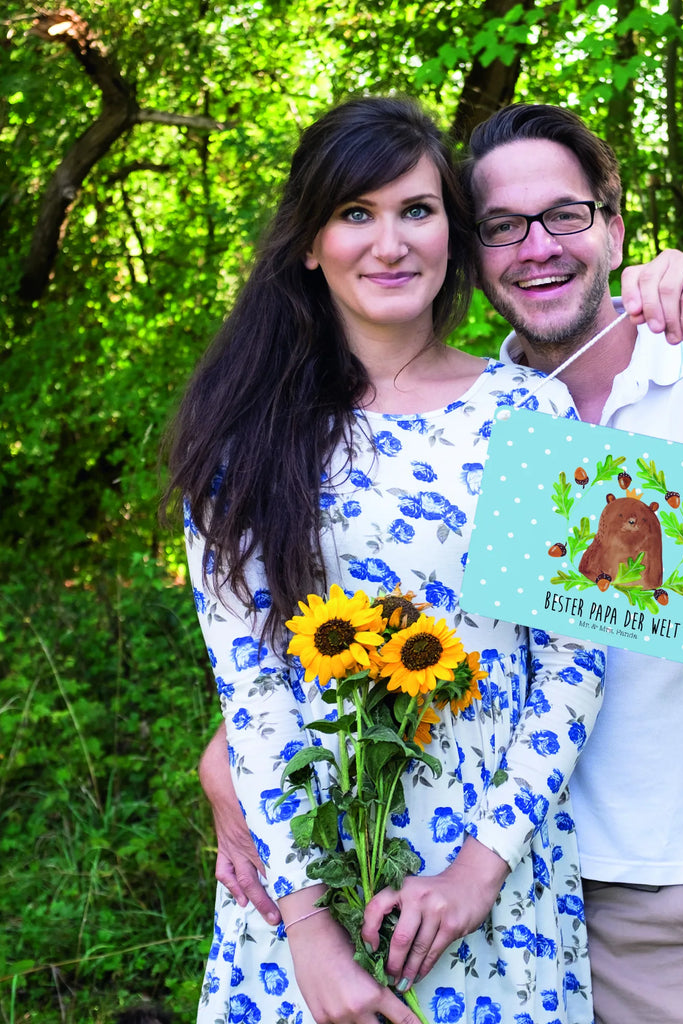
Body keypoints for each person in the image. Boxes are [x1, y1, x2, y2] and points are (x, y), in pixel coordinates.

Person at [202, 103, 683, 1024]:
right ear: (475, 252)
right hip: (430, 878)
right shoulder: (450, 418)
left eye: (564, 216)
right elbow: (335, 632)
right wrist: (235, 770)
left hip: (653, 887)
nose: (537, 247)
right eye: (502, 227)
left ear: (612, 225)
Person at [164, 96, 608, 1024]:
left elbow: (572, 664)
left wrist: (478, 873)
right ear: (309, 244)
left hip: (493, 887)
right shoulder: (245, 437)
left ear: (452, 228)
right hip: (303, 887)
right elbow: (252, 691)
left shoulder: (532, 416)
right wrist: (311, 936)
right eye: (355, 214)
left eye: (417, 210)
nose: (390, 242)